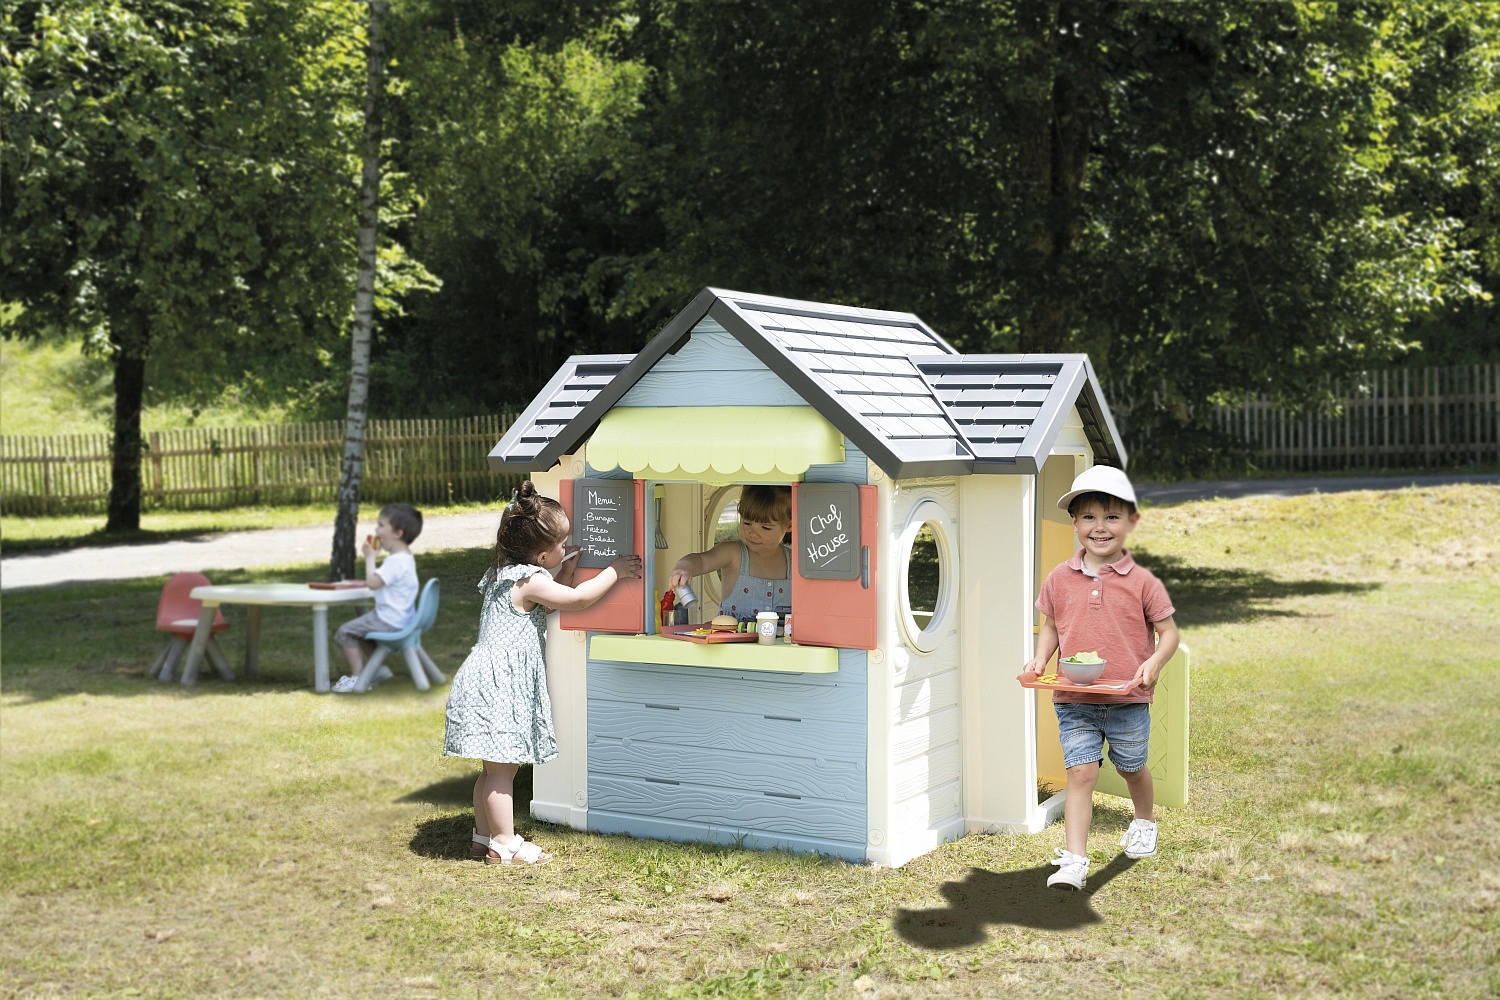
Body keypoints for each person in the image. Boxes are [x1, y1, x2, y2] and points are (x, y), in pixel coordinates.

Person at [443, 481, 641, 865]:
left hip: (485, 680)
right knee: (502, 772)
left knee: (492, 770)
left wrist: (565, 570)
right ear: (542, 555)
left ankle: (483, 838)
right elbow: (577, 599)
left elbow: (548, 605)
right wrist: (614, 571)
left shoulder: (507, 574)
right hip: (500, 685)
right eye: (562, 545)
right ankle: (505, 844)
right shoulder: (531, 580)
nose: (567, 549)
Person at [1021, 465, 1180, 890]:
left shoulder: (1143, 582)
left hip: (1128, 698)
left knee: (1132, 768)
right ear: (1074, 523)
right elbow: (1052, 626)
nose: (1100, 527)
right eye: (1089, 516)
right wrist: (1039, 660)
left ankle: (1144, 821)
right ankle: (1075, 860)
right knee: (1081, 774)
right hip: (1074, 698)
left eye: (1112, 517)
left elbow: (1168, 633)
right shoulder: (1059, 578)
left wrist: (1154, 663)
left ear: (1131, 521)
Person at [332, 503, 424, 693]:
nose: (376, 530)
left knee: (345, 632)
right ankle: (378, 671)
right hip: (403, 620)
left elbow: (373, 583)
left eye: (381, 526)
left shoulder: (395, 561)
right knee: (360, 630)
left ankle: (358, 677)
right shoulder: (406, 558)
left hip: (389, 620)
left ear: (397, 533)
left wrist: (370, 557)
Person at [666, 485, 792, 621]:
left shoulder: (794, 561)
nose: (753, 533)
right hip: (729, 634)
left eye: (765, 527)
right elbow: (702, 561)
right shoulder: (734, 553)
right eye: (747, 523)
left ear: (789, 525)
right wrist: (685, 566)